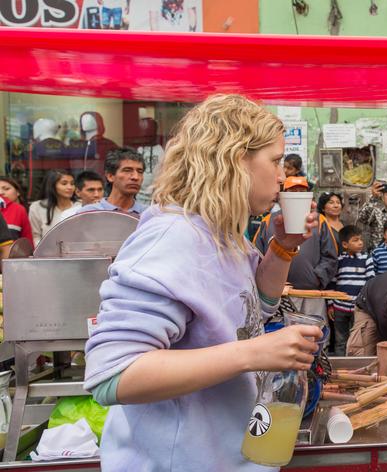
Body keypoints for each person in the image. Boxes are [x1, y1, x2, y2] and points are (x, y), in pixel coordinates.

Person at [83, 94, 323, 471]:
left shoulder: (224, 233)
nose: (282, 176)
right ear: (233, 159)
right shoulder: (173, 237)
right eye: (275, 161)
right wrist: (253, 354)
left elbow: (252, 310)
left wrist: (282, 249)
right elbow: (113, 375)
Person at [253, 179, 338, 321]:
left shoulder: (319, 220)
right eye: (293, 191)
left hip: (311, 293)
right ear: (283, 195)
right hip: (278, 294)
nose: (297, 194)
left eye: (302, 191)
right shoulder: (269, 220)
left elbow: (330, 255)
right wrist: (270, 278)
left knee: (315, 335)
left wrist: (316, 278)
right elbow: (257, 254)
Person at [328, 225, 374, 356]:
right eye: (355, 240)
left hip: (358, 308)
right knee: (340, 339)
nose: (360, 242)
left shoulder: (366, 259)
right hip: (339, 308)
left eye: (360, 239)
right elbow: (332, 283)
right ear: (345, 244)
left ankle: (355, 365)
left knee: (358, 339)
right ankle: (341, 367)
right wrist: (330, 304)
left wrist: (365, 304)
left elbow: (370, 282)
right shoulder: (339, 261)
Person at [79, 148, 146, 215]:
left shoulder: (149, 214)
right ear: (110, 176)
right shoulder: (89, 213)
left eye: (140, 172)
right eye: (127, 170)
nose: (135, 177)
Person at [29, 169, 77, 245]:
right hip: (46, 254)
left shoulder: (80, 207)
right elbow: (35, 236)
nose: (70, 187)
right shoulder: (37, 207)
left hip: (75, 253)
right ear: (52, 186)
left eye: (72, 184)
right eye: (64, 184)